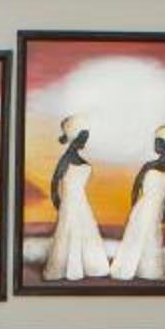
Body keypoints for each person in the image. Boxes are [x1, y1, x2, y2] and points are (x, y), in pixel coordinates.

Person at [108, 120, 165, 281]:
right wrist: (133, 208)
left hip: (157, 208)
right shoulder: (148, 166)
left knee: (151, 235)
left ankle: (150, 270)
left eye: (159, 142)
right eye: (156, 141)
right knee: (137, 233)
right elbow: (136, 187)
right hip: (142, 207)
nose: (156, 145)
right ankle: (133, 266)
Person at [39, 115, 113, 282]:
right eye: (84, 135)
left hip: (81, 204)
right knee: (68, 232)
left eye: (86, 136)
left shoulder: (80, 161)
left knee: (84, 231)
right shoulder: (66, 160)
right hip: (69, 204)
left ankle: (85, 266)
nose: (86, 139)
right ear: (75, 136)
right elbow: (55, 182)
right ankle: (67, 268)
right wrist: (58, 203)